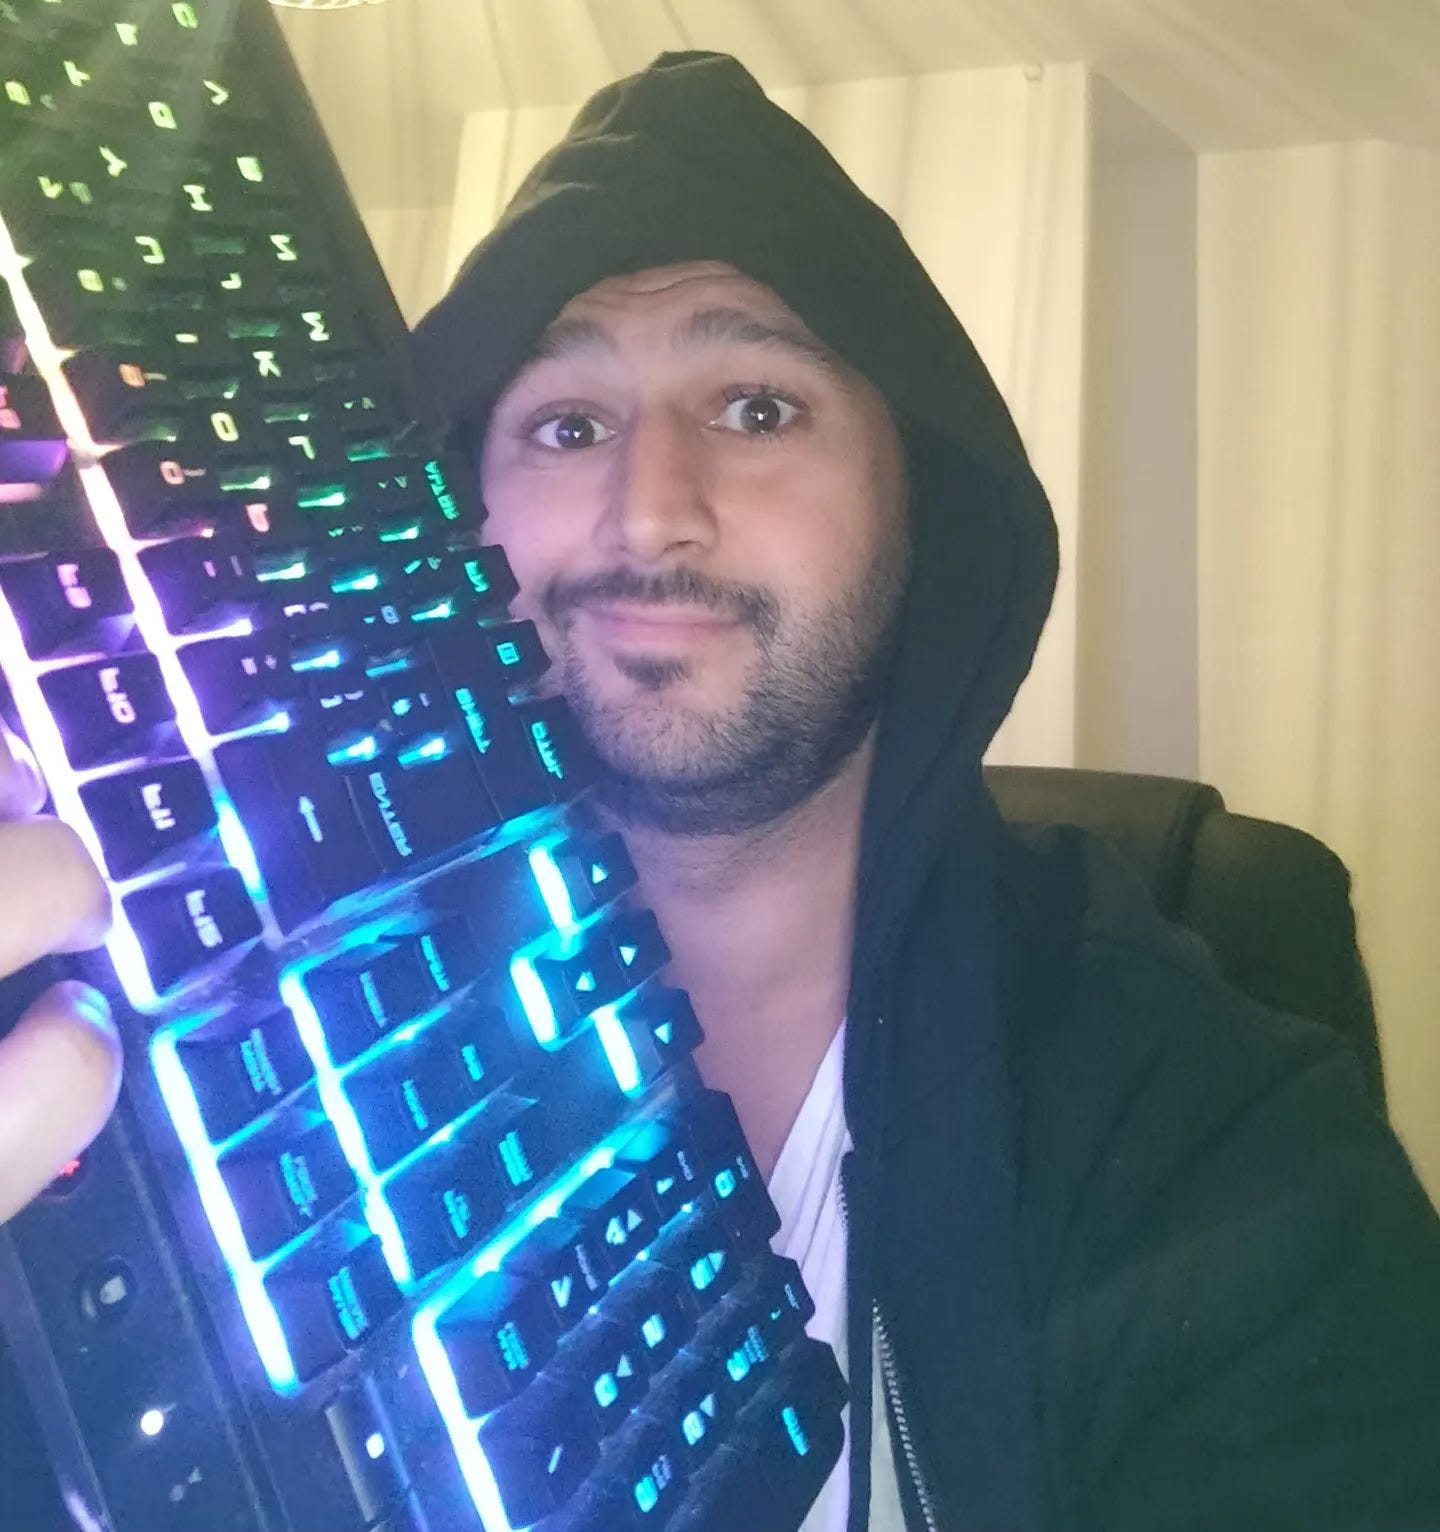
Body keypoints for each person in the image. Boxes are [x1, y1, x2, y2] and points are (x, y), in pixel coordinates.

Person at [3, 49, 1438, 1532]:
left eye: (757, 407)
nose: (650, 506)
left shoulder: (1222, 1156)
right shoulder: (189, 1036)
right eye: (567, 425)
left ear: (920, 510)